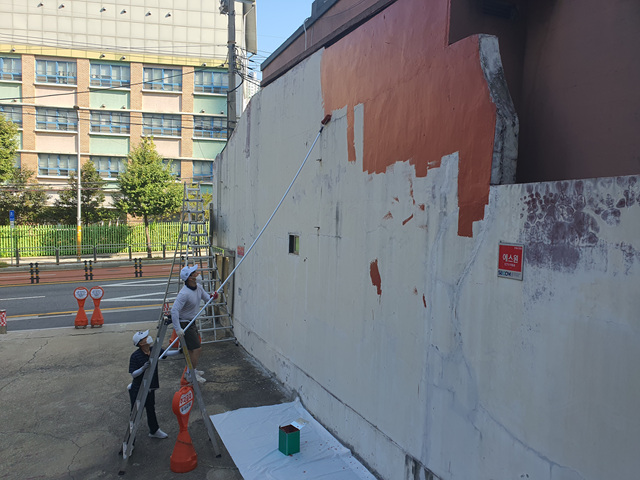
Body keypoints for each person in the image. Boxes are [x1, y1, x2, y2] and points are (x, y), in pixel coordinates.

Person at [171, 264, 218, 383]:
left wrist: (213, 297)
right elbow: (174, 310)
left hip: (191, 321)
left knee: (192, 349)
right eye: (195, 273)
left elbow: (207, 299)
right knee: (197, 349)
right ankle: (190, 374)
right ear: (189, 278)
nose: (198, 274)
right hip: (184, 323)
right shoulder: (184, 294)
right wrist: (178, 329)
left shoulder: (199, 287)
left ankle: (192, 370)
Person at [128, 329, 177, 439]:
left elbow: (166, 353)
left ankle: (154, 430)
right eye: (145, 337)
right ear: (141, 343)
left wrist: (180, 351)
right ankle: (131, 439)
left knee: (151, 409)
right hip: (138, 388)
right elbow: (133, 374)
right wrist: (143, 368)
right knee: (135, 414)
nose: (148, 338)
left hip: (150, 387)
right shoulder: (135, 356)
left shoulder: (153, 350)